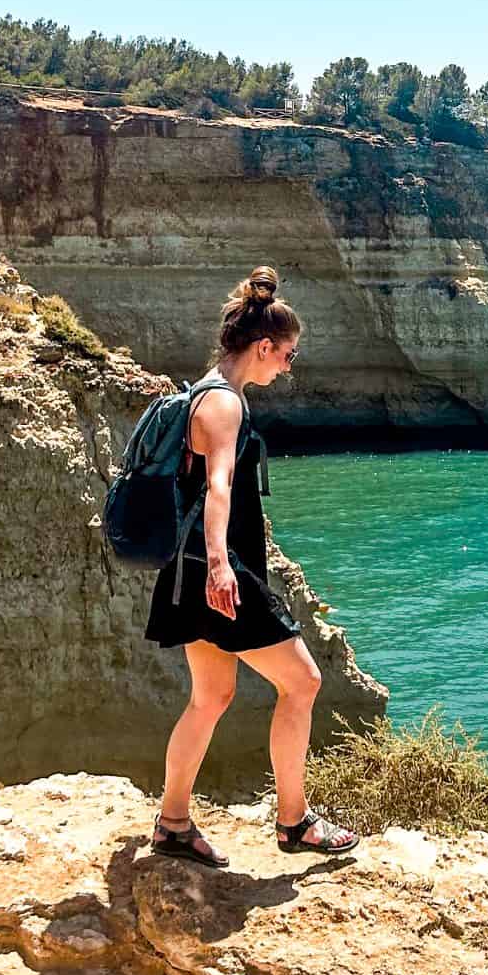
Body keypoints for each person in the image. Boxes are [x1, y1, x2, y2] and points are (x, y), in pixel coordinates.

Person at [144, 265, 360, 868]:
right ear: (263, 346)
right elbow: (218, 488)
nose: (287, 367)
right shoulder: (225, 404)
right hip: (218, 569)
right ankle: (294, 822)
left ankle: (173, 824)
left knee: (210, 696)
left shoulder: (202, 391)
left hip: (185, 567)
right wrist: (221, 567)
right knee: (304, 682)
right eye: (286, 355)